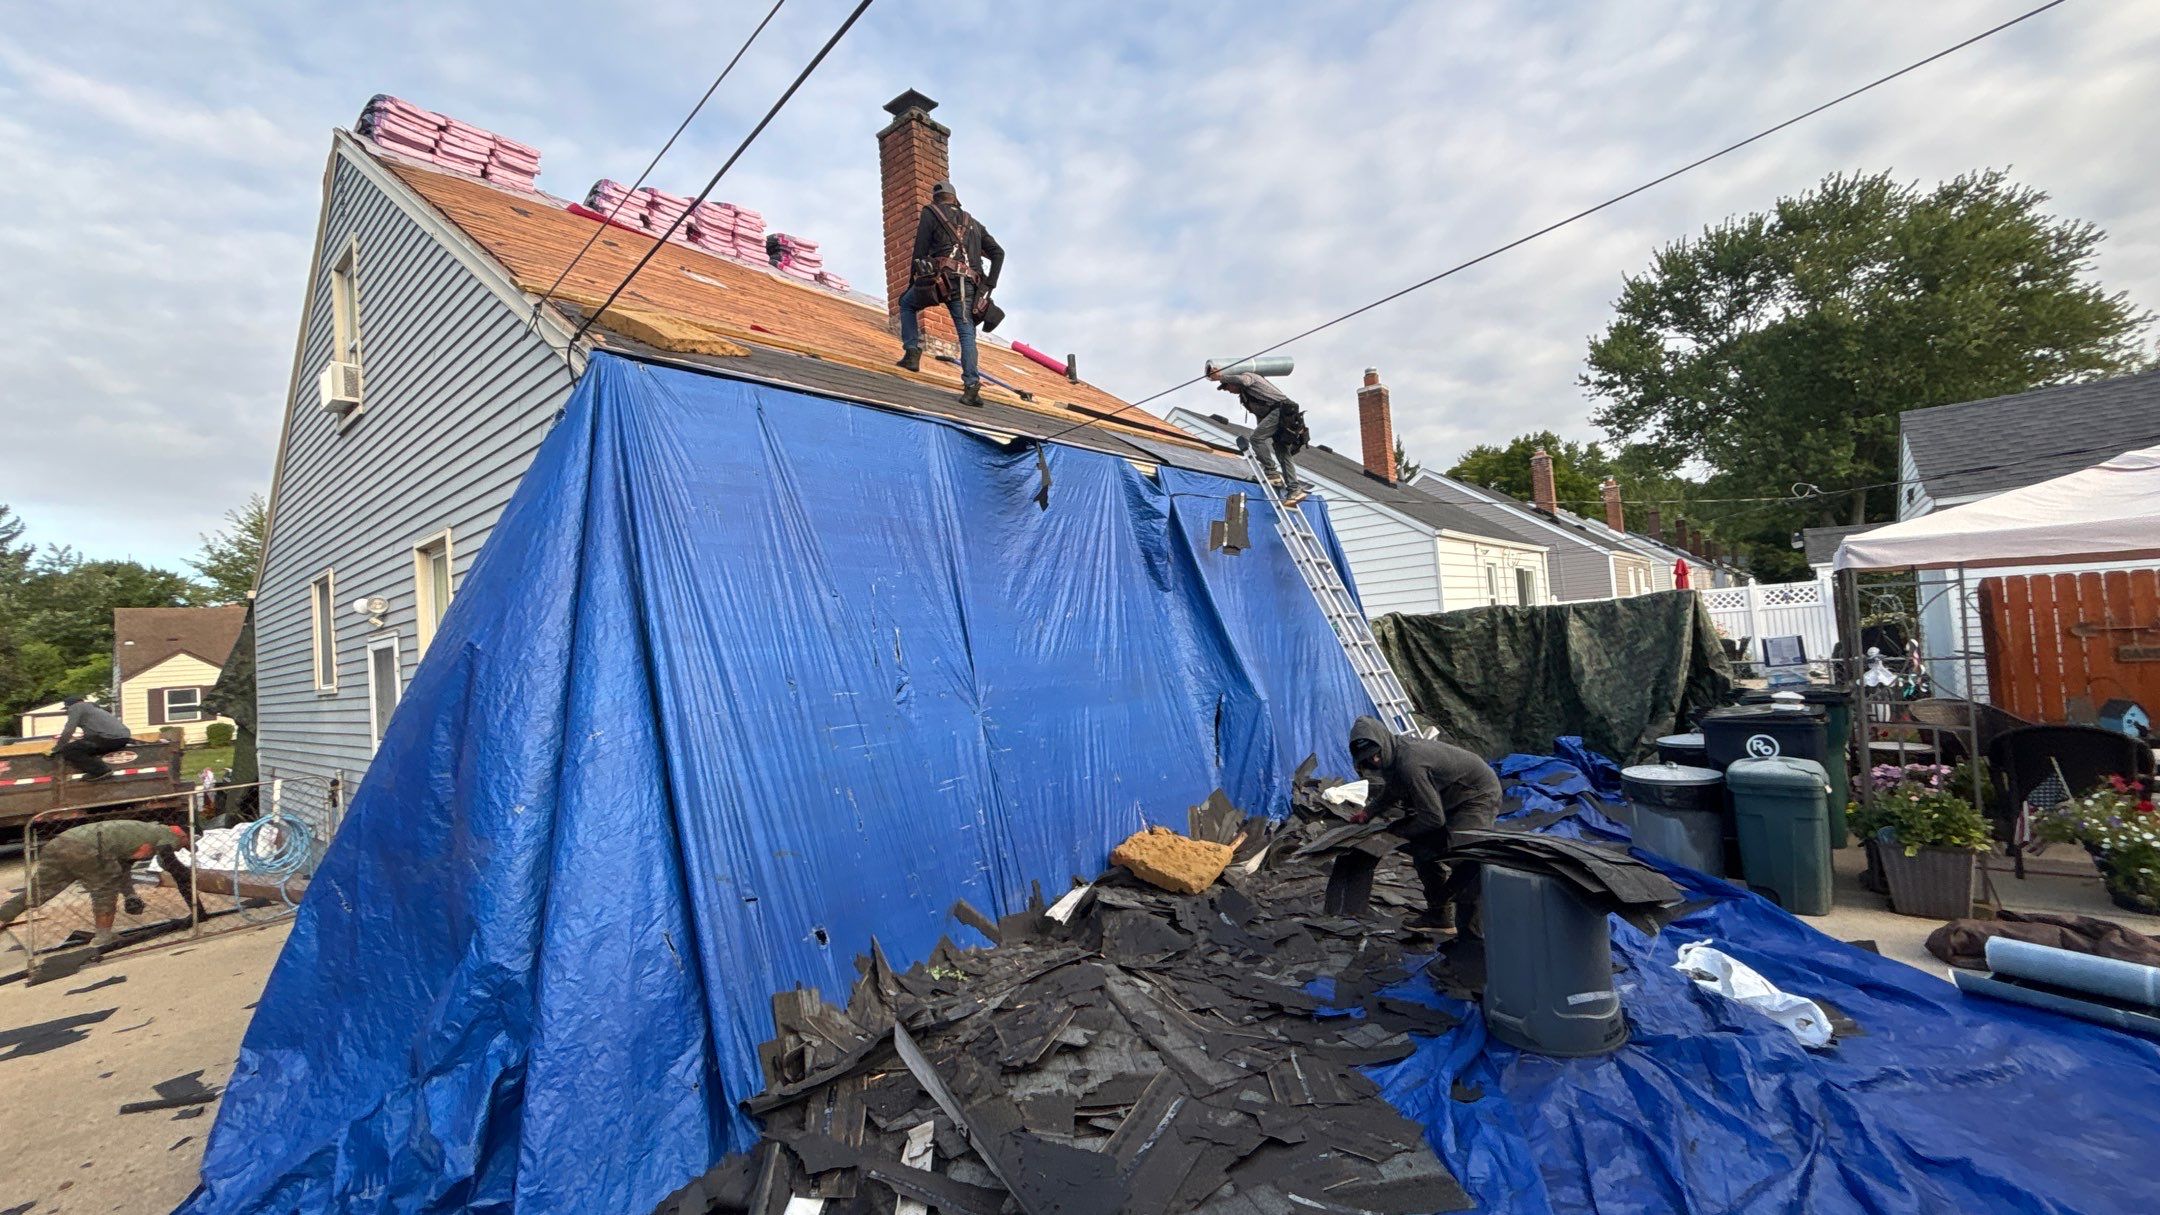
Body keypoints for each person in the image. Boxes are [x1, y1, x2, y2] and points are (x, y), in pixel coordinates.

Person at [1347, 716, 1502, 935]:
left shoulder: (1410, 762)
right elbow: (1393, 790)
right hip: (1449, 797)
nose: (1375, 762)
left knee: (1466, 862)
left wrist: (1395, 832)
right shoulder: (1393, 757)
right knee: (1423, 851)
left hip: (1477, 795)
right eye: (1369, 759)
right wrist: (1368, 813)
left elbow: (1433, 818)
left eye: (1376, 755)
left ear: (1383, 743)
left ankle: (1471, 948)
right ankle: (1439, 914)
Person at [894, 181, 1004, 408]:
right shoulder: (973, 223)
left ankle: (913, 353)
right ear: (955, 199)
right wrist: (989, 285)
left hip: (938, 281)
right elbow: (998, 253)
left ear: (937, 199)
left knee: (907, 303)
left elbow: (920, 251)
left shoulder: (930, 213)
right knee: (966, 335)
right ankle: (972, 386)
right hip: (968, 287)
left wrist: (911, 282)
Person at [0, 819, 190, 950]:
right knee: (105, 888)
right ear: (182, 835)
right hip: (88, 849)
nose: (183, 847)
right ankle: (103, 937)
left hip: (61, 844)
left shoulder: (142, 831)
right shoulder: (169, 836)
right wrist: (191, 878)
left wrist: (130, 895)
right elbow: (172, 865)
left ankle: (2, 918)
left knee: (37, 894)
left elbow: (123, 868)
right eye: (186, 844)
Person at [1207, 365, 1310, 505]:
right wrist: (1261, 449)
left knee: (1256, 439)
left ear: (1232, 382)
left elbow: (1244, 381)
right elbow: (1261, 416)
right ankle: (1294, 490)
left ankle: (1272, 472)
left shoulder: (1249, 377)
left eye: (1227, 387)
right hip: (1280, 415)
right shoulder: (1246, 396)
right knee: (1282, 452)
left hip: (1282, 411)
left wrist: (1220, 377)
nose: (1228, 391)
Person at [50, 695, 136, 781]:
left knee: (68, 749)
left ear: (69, 706)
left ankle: (100, 771)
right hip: (123, 737)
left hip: (108, 738)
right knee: (84, 746)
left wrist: (57, 748)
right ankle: (94, 769)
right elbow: (93, 733)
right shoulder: (94, 709)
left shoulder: (76, 707)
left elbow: (69, 730)